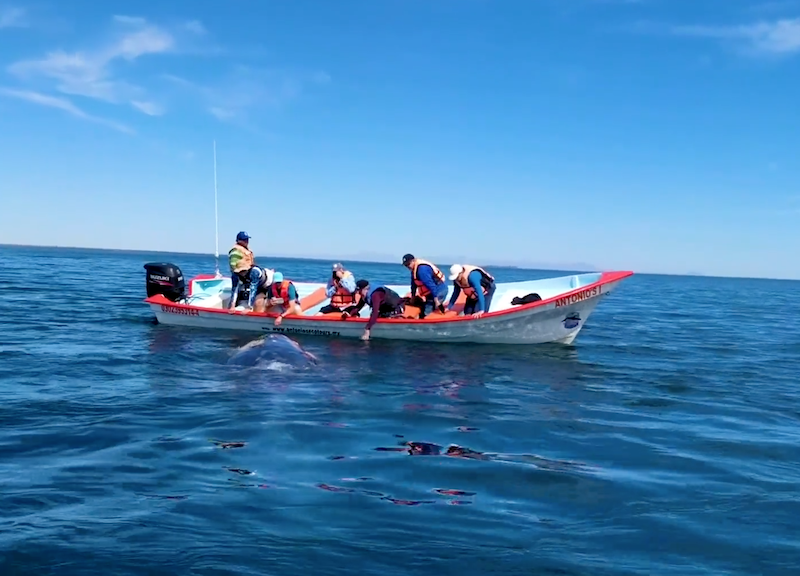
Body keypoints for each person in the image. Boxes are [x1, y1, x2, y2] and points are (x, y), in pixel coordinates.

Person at [401, 253, 448, 318]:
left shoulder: (422, 270)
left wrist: (436, 300)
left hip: (439, 289)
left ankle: (431, 321)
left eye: (408, 264)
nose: (407, 266)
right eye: (406, 265)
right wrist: (413, 296)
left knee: (429, 309)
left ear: (413, 261)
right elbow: (413, 284)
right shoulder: (414, 269)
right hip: (430, 292)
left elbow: (431, 286)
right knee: (426, 306)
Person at [228, 231, 256, 306]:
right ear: (239, 240)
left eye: (247, 239)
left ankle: (250, 304)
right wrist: (239, 272)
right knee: (235, 290)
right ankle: (232, 306)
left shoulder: (246, 250)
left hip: (247, 274)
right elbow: (233, 264)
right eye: (244, 240)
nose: (247, 241)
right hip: (238, 274)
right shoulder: (236, 250)